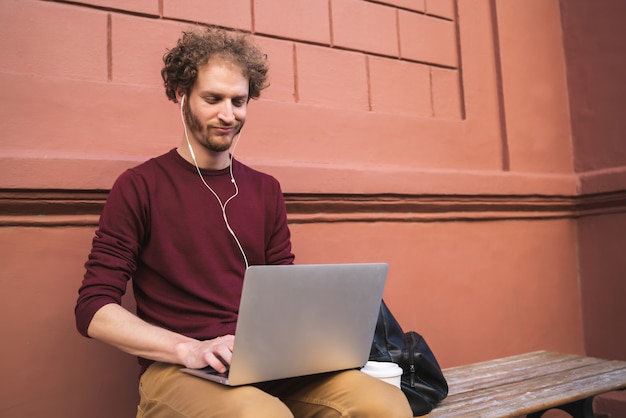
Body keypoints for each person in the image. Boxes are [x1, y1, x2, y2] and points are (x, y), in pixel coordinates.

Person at [75, 26, 412, 418]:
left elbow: (284, 290)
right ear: (181, 97)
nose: (227, 114)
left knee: (384, 404)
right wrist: (189, 348)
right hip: (180, 369)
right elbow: (93, 309)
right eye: (213, 99)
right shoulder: (139, 186)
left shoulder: (266, 189)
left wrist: (315, 345)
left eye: (239, 101)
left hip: (267, 364)